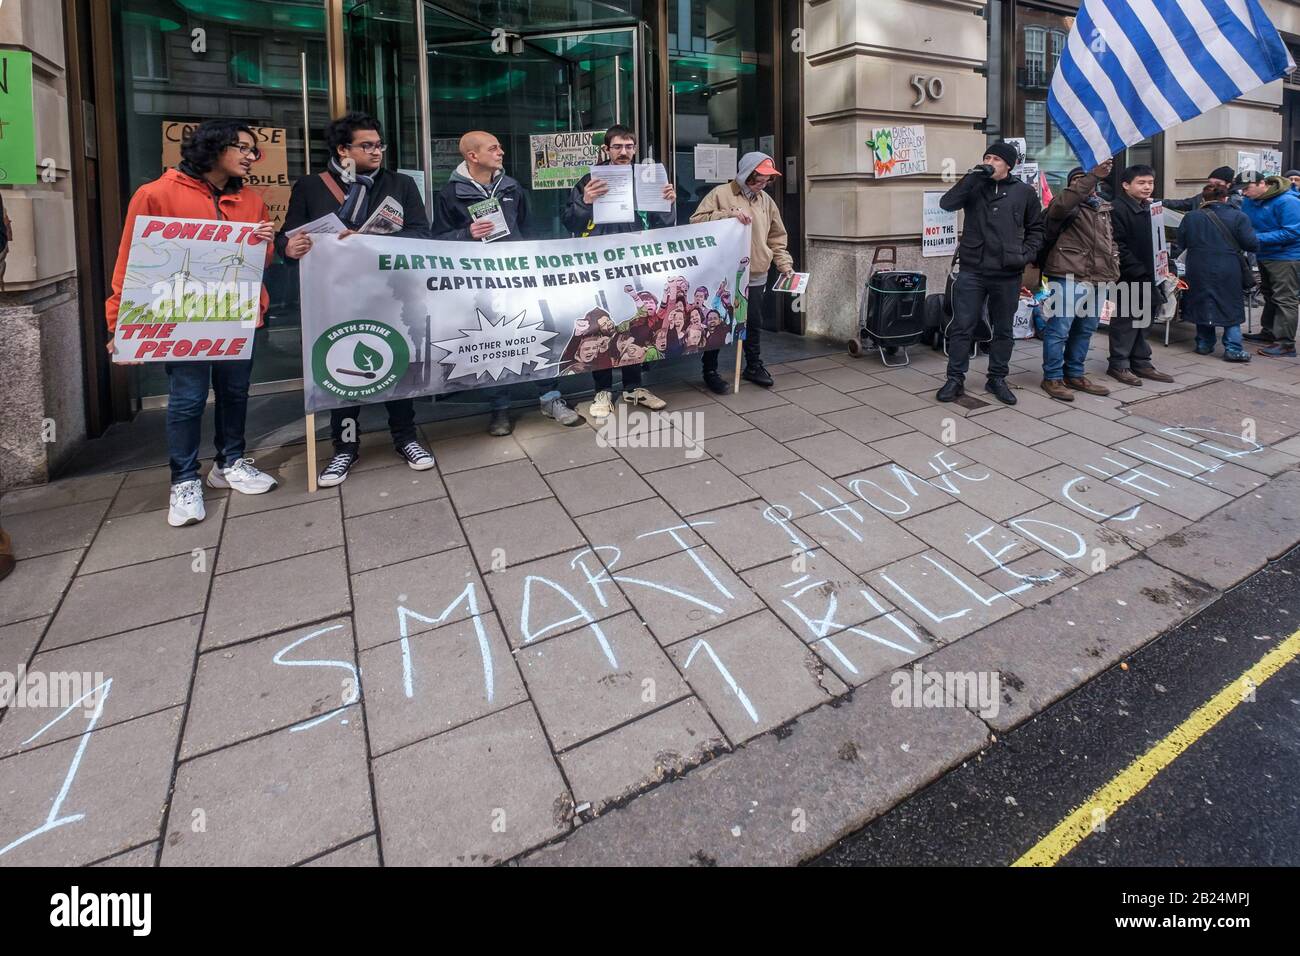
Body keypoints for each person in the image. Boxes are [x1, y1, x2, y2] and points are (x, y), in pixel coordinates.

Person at [105, 119, 278, 527]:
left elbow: (258, 265)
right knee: (187, 399)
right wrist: (121, 325)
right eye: (243, 148)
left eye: (254, 150)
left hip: (236, 316)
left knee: (236, 392)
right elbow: (132, 259)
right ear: (215, 148)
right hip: (183, 318)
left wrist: (266, 245)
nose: (252, 157)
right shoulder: (155, 194)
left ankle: (230, 462)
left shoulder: (252, 200)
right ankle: (184, 479)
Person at [279, 112, 435, 488]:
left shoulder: (400, 184)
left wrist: (368, 240)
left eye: (379, 144)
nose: (377, 151)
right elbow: (287, 241)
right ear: (342, 150)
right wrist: (290, 247)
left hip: (391, 293)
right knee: (342, 371)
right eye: (367, 145)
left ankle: (406, 437)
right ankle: (345, 447)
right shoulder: (311, 187)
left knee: (399, 363)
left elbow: (421, 233)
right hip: (335, 297)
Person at [432, 130, 582, 434]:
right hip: (479, 284)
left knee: (540, 334)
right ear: (473, 156)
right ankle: (499, 408)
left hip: (518, 280)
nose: (501, 152)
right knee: (491, 343)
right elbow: (437, 242)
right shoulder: (449, 194)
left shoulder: (513, 187)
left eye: (500, 147)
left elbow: (530, 231)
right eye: (493, 148)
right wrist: (465, 235)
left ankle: (550, 397)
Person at [560, 124, 675, 419]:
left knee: (635, 323)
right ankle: (602, 389)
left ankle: (634, 387)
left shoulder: (647, 179)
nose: (624, 152)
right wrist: (585, 202)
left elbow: (664, 223)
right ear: (606, 149)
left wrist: (669, 203)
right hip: (600, 263)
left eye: (629, 147)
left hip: (638, 261)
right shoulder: (590, 179)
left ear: (635, 149)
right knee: (603, 323)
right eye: (617, 147)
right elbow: (570, 222)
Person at [935, 140, 1045, 405]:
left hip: (1007, 272)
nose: (990, 162)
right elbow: (947, 203)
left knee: (1003, 329)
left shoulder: (1024, 192)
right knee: (962, 326)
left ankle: (997, 378)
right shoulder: (974, 185)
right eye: (987, 157)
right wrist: (971, 178)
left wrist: (1025, 255)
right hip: (973, 268)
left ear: (1009, 164)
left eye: (996, 159)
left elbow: (1037, 229)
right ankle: (955, 379)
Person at [689, 152, 794, 394]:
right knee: (716, 320)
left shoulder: (766, 201)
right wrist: (728, 215)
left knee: (753, 321)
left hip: (756, 270)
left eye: (767, 180)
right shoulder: (720, 194)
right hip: (723, 272)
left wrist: (784, 263)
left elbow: (776, 237)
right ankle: (710, 371)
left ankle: (754, 365)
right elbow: (696, 222)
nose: (763, 184)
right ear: (747, 173)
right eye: (759, 178)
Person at [1037, 161, 1118, 402]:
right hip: (1067, 273)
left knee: (1086, 328)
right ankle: (1052, 376)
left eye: (1090, 180)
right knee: (1060, 327)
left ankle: (1074, 373)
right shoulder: (1063, 204)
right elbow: (1061, 206)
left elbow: (1110, 241)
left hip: (1099, 276)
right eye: (1079, 180)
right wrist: (1092, 175)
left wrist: (1115, 264)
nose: (1086, 184)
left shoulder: (1103, 206)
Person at [1109, 163, 1175, 386]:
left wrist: (1164, 265)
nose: (1147, 187)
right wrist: (1138, 269)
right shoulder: (1117, 208)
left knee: (1145, 319)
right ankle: (1119, 364)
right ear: (1126, 185)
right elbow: (1118, 245)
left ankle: (1141, 361)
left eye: (1150, 182)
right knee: (1126, 321)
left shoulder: (1150, 207)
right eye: (1141, 183)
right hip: (1130, 276)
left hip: (1152, 274)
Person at [1177, 183, 1258, 363]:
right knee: (1230, 304)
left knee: (1202, 301)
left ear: (1204, 199)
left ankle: (1204, 343)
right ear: (1225, 197)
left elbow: (1181, 243)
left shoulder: (1191, 217)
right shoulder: (1239, 216)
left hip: (1197, 266)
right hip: (1228, 267)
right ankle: (1233, 348)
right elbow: (1251, 244)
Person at [1238, 170, 1300, 357]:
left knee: (1285, 298)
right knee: (1269, 294)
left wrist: (1255, 238)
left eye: (1247, 189)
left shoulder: (1288, 201)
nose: (1244, 194)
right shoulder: (1250, 200)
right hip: (1264, 253)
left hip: (1286, 256)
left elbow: (1293, 232)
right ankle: (1269, 332)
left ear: (1262, 183)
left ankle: (1286, 344)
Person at [1163, 165, 1242, 212]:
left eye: (1218, 184)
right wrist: (1155, 201)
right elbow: (1182, 203)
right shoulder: (1202, 197)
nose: (1213, 187)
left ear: (1228, 184)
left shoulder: (1235, 200)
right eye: (1211, 184)